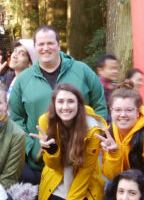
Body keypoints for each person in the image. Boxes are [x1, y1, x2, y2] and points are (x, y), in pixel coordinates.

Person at [8, 25, 107, 183]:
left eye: (50, 43)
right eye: (40, 44)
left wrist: (93, 140)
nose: (45, 48)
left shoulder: (82, 71)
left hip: (81, 161)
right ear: (34, 48)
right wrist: (32, 147)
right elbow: (15, 118)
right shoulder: (22, 80)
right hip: (40, 164)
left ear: (59, 45)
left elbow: (100, 106)